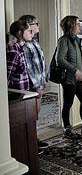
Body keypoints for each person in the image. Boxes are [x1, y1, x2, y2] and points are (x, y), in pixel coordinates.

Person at [57, 15, 82, 138]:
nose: (80, 26)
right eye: (78, 24)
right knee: (68, 104)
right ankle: (67, 130)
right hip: (68, 79)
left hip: (77, 78)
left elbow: (79, 59)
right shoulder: (63, 40)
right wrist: (74, 70)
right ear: (71, 26)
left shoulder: (76, 40)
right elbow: (60, 59)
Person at [19, 15, 49, 150]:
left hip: (39, 83)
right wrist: (37, 86)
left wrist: (45, 80)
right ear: (29, 25)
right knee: (31, 115)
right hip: (31, 86)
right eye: (37, 23)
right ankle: (32, 143)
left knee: (35, 114)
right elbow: (28, 68)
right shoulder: (25, 45)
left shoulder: (35, 42)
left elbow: (41, 63)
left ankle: (34, 139)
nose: (39, 26)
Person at [7, 20, 32, 90]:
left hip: (23, 90)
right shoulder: (14, 49)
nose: (31, 33)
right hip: (17, 93)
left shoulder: (20, 46)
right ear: (20, 32)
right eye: (29, 31)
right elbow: (8, 75)